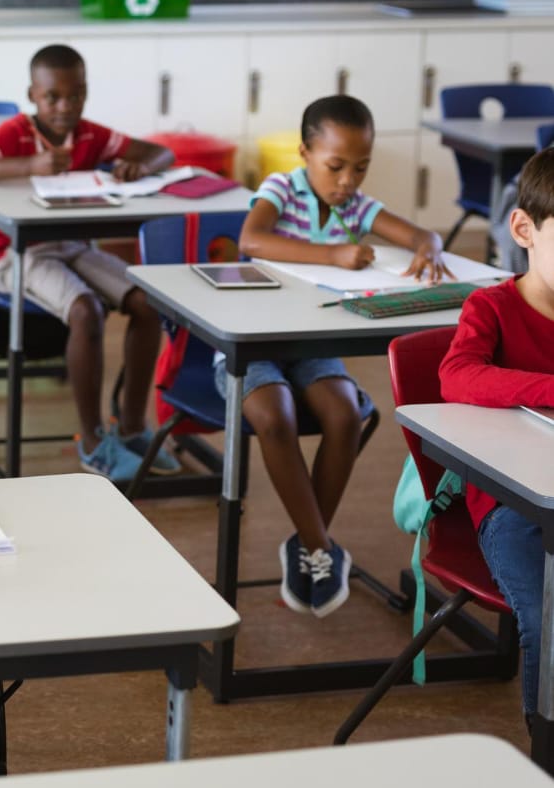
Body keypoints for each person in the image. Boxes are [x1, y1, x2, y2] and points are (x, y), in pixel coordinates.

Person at [235, 94, 449, 619]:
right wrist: (331, 254)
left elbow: (422, 232)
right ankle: (320, 547)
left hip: (312, 347)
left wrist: (430, 248)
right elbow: (251, 239)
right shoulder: (282, 189)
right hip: (253, 341)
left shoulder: (355, 206)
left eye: (360, 167)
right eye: (336, 166)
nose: (348, 180)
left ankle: (311, 546)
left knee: (345, 412)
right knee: (274, 413)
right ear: (306, 152)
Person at [0, 43, 179, 484]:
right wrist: (30, 164)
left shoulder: (91, 135)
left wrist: (137, 166)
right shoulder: (14, 134)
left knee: (150, 303)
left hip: (70, 246)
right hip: (16, 255)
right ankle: (92, 442)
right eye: (52, 97)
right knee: (85, 309)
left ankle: (131, 429)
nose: (64, 107)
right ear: (33, 95)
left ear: (85, 93)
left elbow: (160, 153)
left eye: (74, 97)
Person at [440, 146, 554, 723]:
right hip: (509, 502)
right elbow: (456, 375)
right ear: (524, 229)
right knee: (547, 619)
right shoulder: (493, 307)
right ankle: (546, 749)